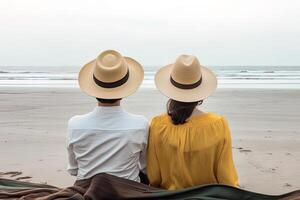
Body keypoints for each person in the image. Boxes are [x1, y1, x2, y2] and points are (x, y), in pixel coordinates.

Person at [147, 54, 239, 190]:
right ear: (199, 91)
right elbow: (226, 176)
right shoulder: (218, 124)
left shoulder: (157, 124)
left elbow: (154, 176)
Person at [66, 50, 148, 183]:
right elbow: (145, 167)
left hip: (86, 191)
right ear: (124, 91)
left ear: (94, 89)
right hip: (127, 192)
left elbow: (73, 170)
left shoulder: (75, 124)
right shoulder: (141, 124)